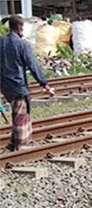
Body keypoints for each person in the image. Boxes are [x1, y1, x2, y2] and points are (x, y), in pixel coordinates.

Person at [1, 15, 54, 151]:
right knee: (20, 114)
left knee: (16, 111)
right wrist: (44, 83)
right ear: (19, 27)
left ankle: (12, 143)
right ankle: (19, 145)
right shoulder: (21, 44)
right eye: (22, 26)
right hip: (18, 83)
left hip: (5, 84)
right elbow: (32, 65)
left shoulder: (1, 42)